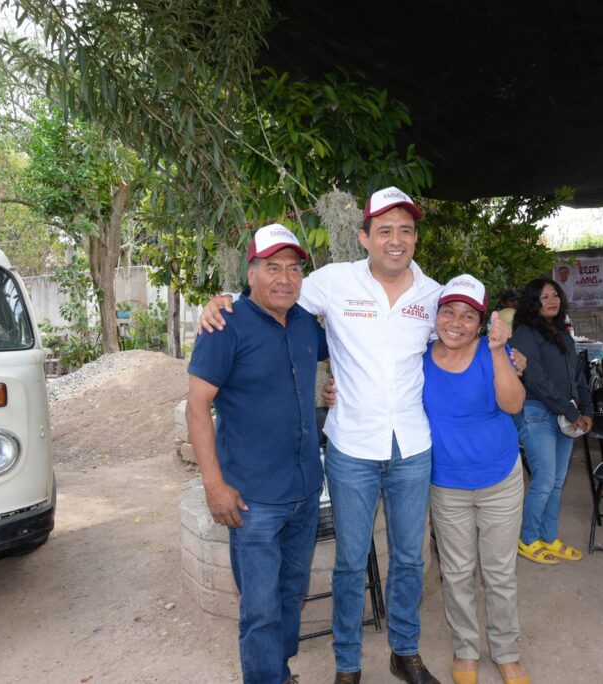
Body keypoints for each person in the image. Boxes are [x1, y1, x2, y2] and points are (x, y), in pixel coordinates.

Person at [199, 187, 444, 684]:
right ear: (363, 236)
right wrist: (218, 299)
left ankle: (405, 651)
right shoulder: (331, 282)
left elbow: (459, 344)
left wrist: (504, 347)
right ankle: (347, 665)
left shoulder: (434, 295)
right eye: (384, 230)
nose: (395, 240)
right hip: (351, 447)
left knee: (408, 559)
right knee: (350, 564)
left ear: (415, 237)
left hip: (412, 447)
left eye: (405, 230)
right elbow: (264, 297)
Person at [185, 224, 329, 684]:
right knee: (261, 608)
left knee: (291, 593)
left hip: (306, 489)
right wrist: (214, 486)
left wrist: (331, 389)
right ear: (251, 274)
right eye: (272, 268)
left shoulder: (306, 322)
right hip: (253, 499)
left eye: (292, 268)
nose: (284, 278)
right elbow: (196, 406)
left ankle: (278, 671)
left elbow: (346, 356)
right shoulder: (224, 325)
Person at [421, 275, 530, 684]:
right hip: (447, 484)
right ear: (436, 316)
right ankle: (465, 648)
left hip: (499, 478)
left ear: (481, 322)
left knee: (500, 573)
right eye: (448, 311)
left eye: (468, 315)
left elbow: (514, 403)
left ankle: (506, 651)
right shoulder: (419, 358)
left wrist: (501, 351)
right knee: (457, 571)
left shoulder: (494, 352)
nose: (456, 322)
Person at [511, 277, 593, 565]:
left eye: (555, 295)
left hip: (565, 415)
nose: (551, 301)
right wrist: (573, 412)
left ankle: (549, 537)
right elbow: (536, 379)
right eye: (544, 297)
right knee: (544, 480)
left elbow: (578, 377)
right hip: (536, 413)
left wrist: (589, 410)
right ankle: (528, 539)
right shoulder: (524, 333)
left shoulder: (562, 334)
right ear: (533, 302)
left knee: (557, 481)